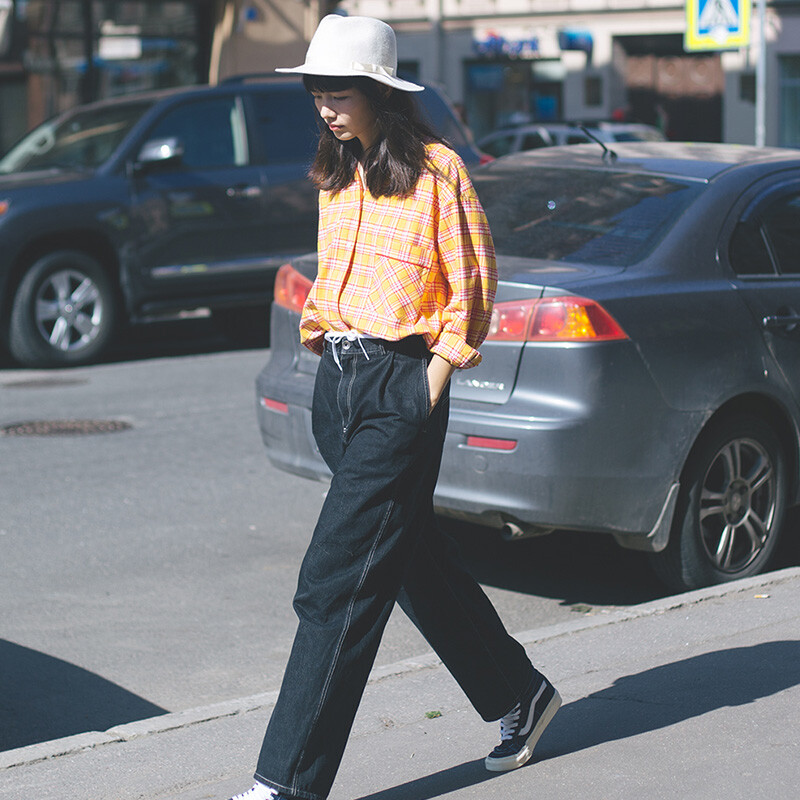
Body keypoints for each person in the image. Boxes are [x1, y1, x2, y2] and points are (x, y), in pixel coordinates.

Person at [230, 15, 560, 800]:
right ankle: (521, 696)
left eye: (338, 92)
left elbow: (475, 286)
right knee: (408, 560)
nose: (324, 106)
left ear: (380, 91)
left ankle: (285, 785)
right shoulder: (338, 172)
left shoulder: (440, 171)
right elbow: (331, 281)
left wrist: (427, 383)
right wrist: (324, 353)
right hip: (339, 389)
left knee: (335, 583)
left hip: (399, 387)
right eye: (316, 91)